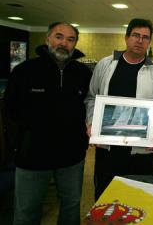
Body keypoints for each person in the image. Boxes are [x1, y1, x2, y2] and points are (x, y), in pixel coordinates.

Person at [4, 22, 92, 225]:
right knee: (27, 211)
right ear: (47, 39)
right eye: (59, 37)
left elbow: (91, 107)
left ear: (75, 43)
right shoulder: (24, 71)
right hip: (32, 156)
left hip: (71, 156)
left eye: (70, 39)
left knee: (71, 207)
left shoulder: (83, 74)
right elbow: (10, 111)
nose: (64, 43)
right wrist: (20, 144)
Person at [85, 18, 153, 200]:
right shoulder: (105, 65)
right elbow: (92, 98)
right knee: (105, 198)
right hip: (107, 148)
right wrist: (92, 122)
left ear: (149, 42)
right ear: (126, 38)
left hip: (139, 151)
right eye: (136, 35)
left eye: (145, 37)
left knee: (138, 200)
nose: (140, 40)